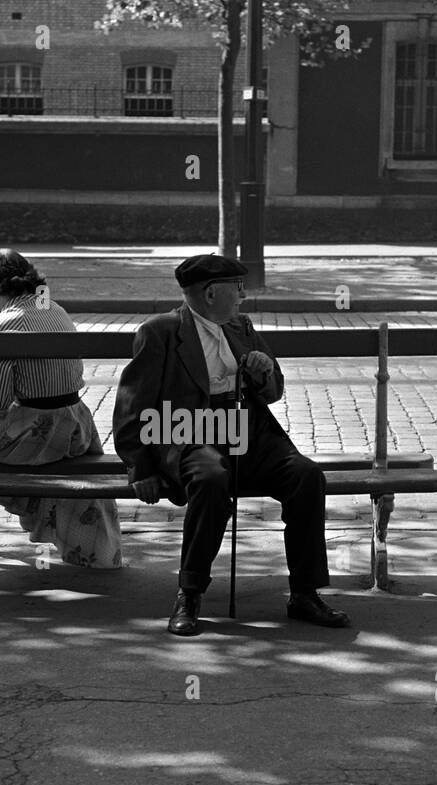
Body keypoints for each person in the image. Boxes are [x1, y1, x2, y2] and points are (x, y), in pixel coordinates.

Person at [112, 253, 350, 635]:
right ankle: (189, 593)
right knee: (210, 479)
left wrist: (264, 372)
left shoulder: (241, 327)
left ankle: (305, 593)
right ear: (210, 293)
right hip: (188, 430)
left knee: (306, 476)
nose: (242, 297)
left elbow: (273, 392)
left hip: (248, 428)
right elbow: (131, 405)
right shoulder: (160, 331)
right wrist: (140, 467)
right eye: (237, 290)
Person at [0, 249, 123, 570]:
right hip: (74, 425)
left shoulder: (2, 325)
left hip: (35, 437)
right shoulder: (54, 309)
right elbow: (50, 377)